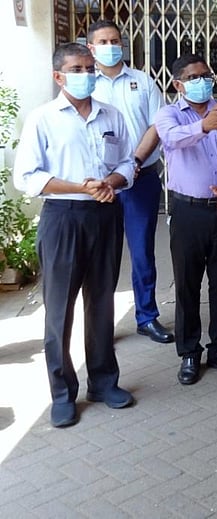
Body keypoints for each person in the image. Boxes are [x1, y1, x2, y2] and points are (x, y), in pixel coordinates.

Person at [13, 43, 135, 427]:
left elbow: (129, 162)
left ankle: (103, 381)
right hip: (63, 218)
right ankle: (62, 392)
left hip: (105, 216)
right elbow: (27, 177)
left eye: (89, 67)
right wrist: (81, 188)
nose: (86, 74)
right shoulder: (43, 119)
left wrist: (111, 181)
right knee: (60, 309)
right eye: (77, 68)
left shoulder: (111, 115)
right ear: (59, 76)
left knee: (101, 302)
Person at [154, 54, 217, 385]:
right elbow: (170, 139)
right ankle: (189, 353)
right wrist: (202, 126)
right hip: (187, 212)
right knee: (187, 285)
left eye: (207, 75)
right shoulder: (168, 114)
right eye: (194, 77)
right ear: (178, 84)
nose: (203, 81)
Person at [87, 20, 173, 344]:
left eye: (115, 40)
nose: (111, 46)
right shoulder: (85, 83)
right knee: (102, 255)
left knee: (142, 252)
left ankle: (147, 317)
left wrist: (134, 162)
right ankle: (101, 324)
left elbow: (157, 125)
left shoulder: (143, 82)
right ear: (92, 48)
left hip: (141, 179)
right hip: (100, 186)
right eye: (103, 41)